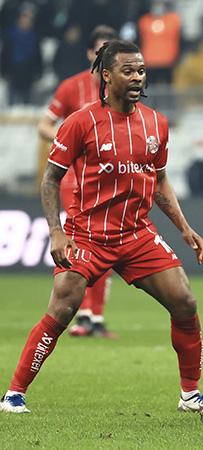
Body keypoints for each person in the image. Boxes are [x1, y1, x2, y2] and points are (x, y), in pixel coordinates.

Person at [0, 40, 203, 415]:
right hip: (88, 234)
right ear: (107, 75)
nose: (137, 77)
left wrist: (185, 229)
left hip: (137, 234)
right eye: (129, 70)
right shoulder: (81, 122)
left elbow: (159, 182)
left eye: (141, 70)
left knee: (185, 301)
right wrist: (57, 232)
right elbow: (50, 181)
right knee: (63, 308)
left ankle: (190, 394)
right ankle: (14, 394)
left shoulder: (157, 123)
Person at [37, 25, 119, 338]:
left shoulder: (121, 91)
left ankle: (95, 318)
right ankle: (83, 313)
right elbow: (44, 124)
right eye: (101, 52)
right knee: (82, 247)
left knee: (108, 245)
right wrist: (68, 140)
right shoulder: (72, 88)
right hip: (76, 179)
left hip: (111, 181)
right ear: (90, 54)